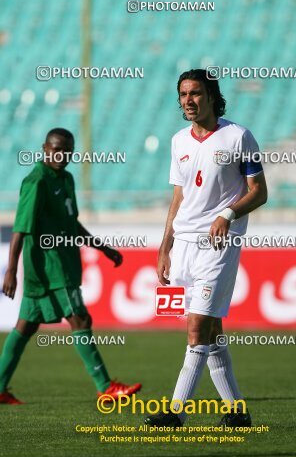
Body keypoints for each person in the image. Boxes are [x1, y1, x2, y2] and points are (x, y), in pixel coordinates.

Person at [145, 69, 267, 427]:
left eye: (195, 93)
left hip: (217, 244)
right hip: (183, 246)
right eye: (183, 94)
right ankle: (237, 412)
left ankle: (174, 411)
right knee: (211, 331)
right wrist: (164, 245)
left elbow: (259, 190)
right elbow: (178, 197)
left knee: (197, 329)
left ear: (212, 96)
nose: (188, 101)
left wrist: (228, 214)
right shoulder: (178, 141)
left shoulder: (238, 136)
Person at [0, 128, 141, 404]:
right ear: (44, 148)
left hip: (63, 264)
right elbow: (20, 229)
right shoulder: (37, 182)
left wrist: (104, 248)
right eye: (55, 150)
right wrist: (10, 269)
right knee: (80, 319)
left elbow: (71, 223)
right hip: (52, 269)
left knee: (25, 327)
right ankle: (105, 386)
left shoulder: (66, 179)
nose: (61, 155)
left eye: (67, 150)